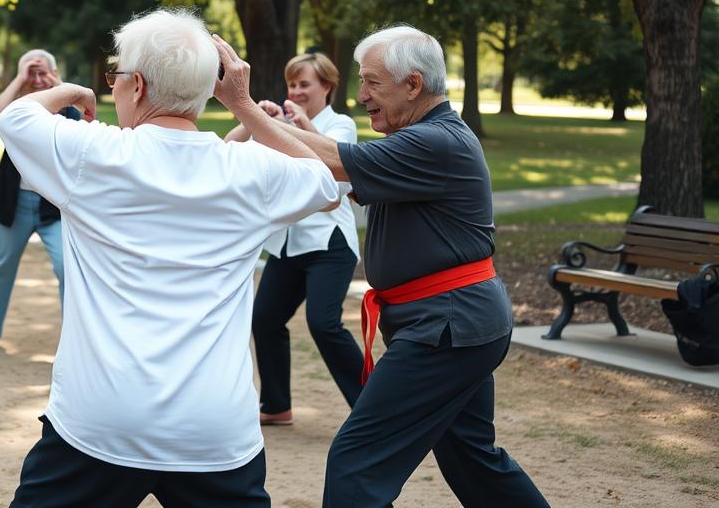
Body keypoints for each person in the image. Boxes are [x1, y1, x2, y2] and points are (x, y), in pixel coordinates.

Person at [0, 9, 341, 507]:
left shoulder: (93, 155)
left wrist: (71, 92)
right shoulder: (248, 170)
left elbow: (14, 116)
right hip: (214, 426)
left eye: (114, 77)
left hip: (103, 418)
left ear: (136, 86)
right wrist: (244, 105)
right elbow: (325, 184)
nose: (111, 87)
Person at [232, 25, 547, 507]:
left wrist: (243, 105)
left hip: (445, 328)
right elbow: (342, 172)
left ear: (413, 85)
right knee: (472, 457)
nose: (361, 97)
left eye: (372, 83)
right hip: (455, 323)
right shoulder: (421, 137)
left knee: (357, 461)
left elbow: (337, 164)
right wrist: (290, 127)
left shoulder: (435, 141)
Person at [225, 53, 364, 426]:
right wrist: (253, 115)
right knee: (264, 319)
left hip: (329, 244)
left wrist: (302, 128)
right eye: (292, 84)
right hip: (287, 245)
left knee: (324, 323)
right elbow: (230, 149)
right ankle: (276, 405)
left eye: (305, 84)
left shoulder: (341, 124)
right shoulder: (279, 124)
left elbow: (340, 185)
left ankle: (372, 408)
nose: (297, 91)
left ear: (327, 88)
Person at [0, 49, 78, 351]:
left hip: (54, 205)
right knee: (1, 265)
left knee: (67, 267)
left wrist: (58, 86)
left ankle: (74, 340)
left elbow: (83, 123)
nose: (38, 80)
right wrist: (19, 79)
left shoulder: (64, 108)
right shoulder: (16, 110)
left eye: (44, 73)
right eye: (32, 73)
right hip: (14, 202)